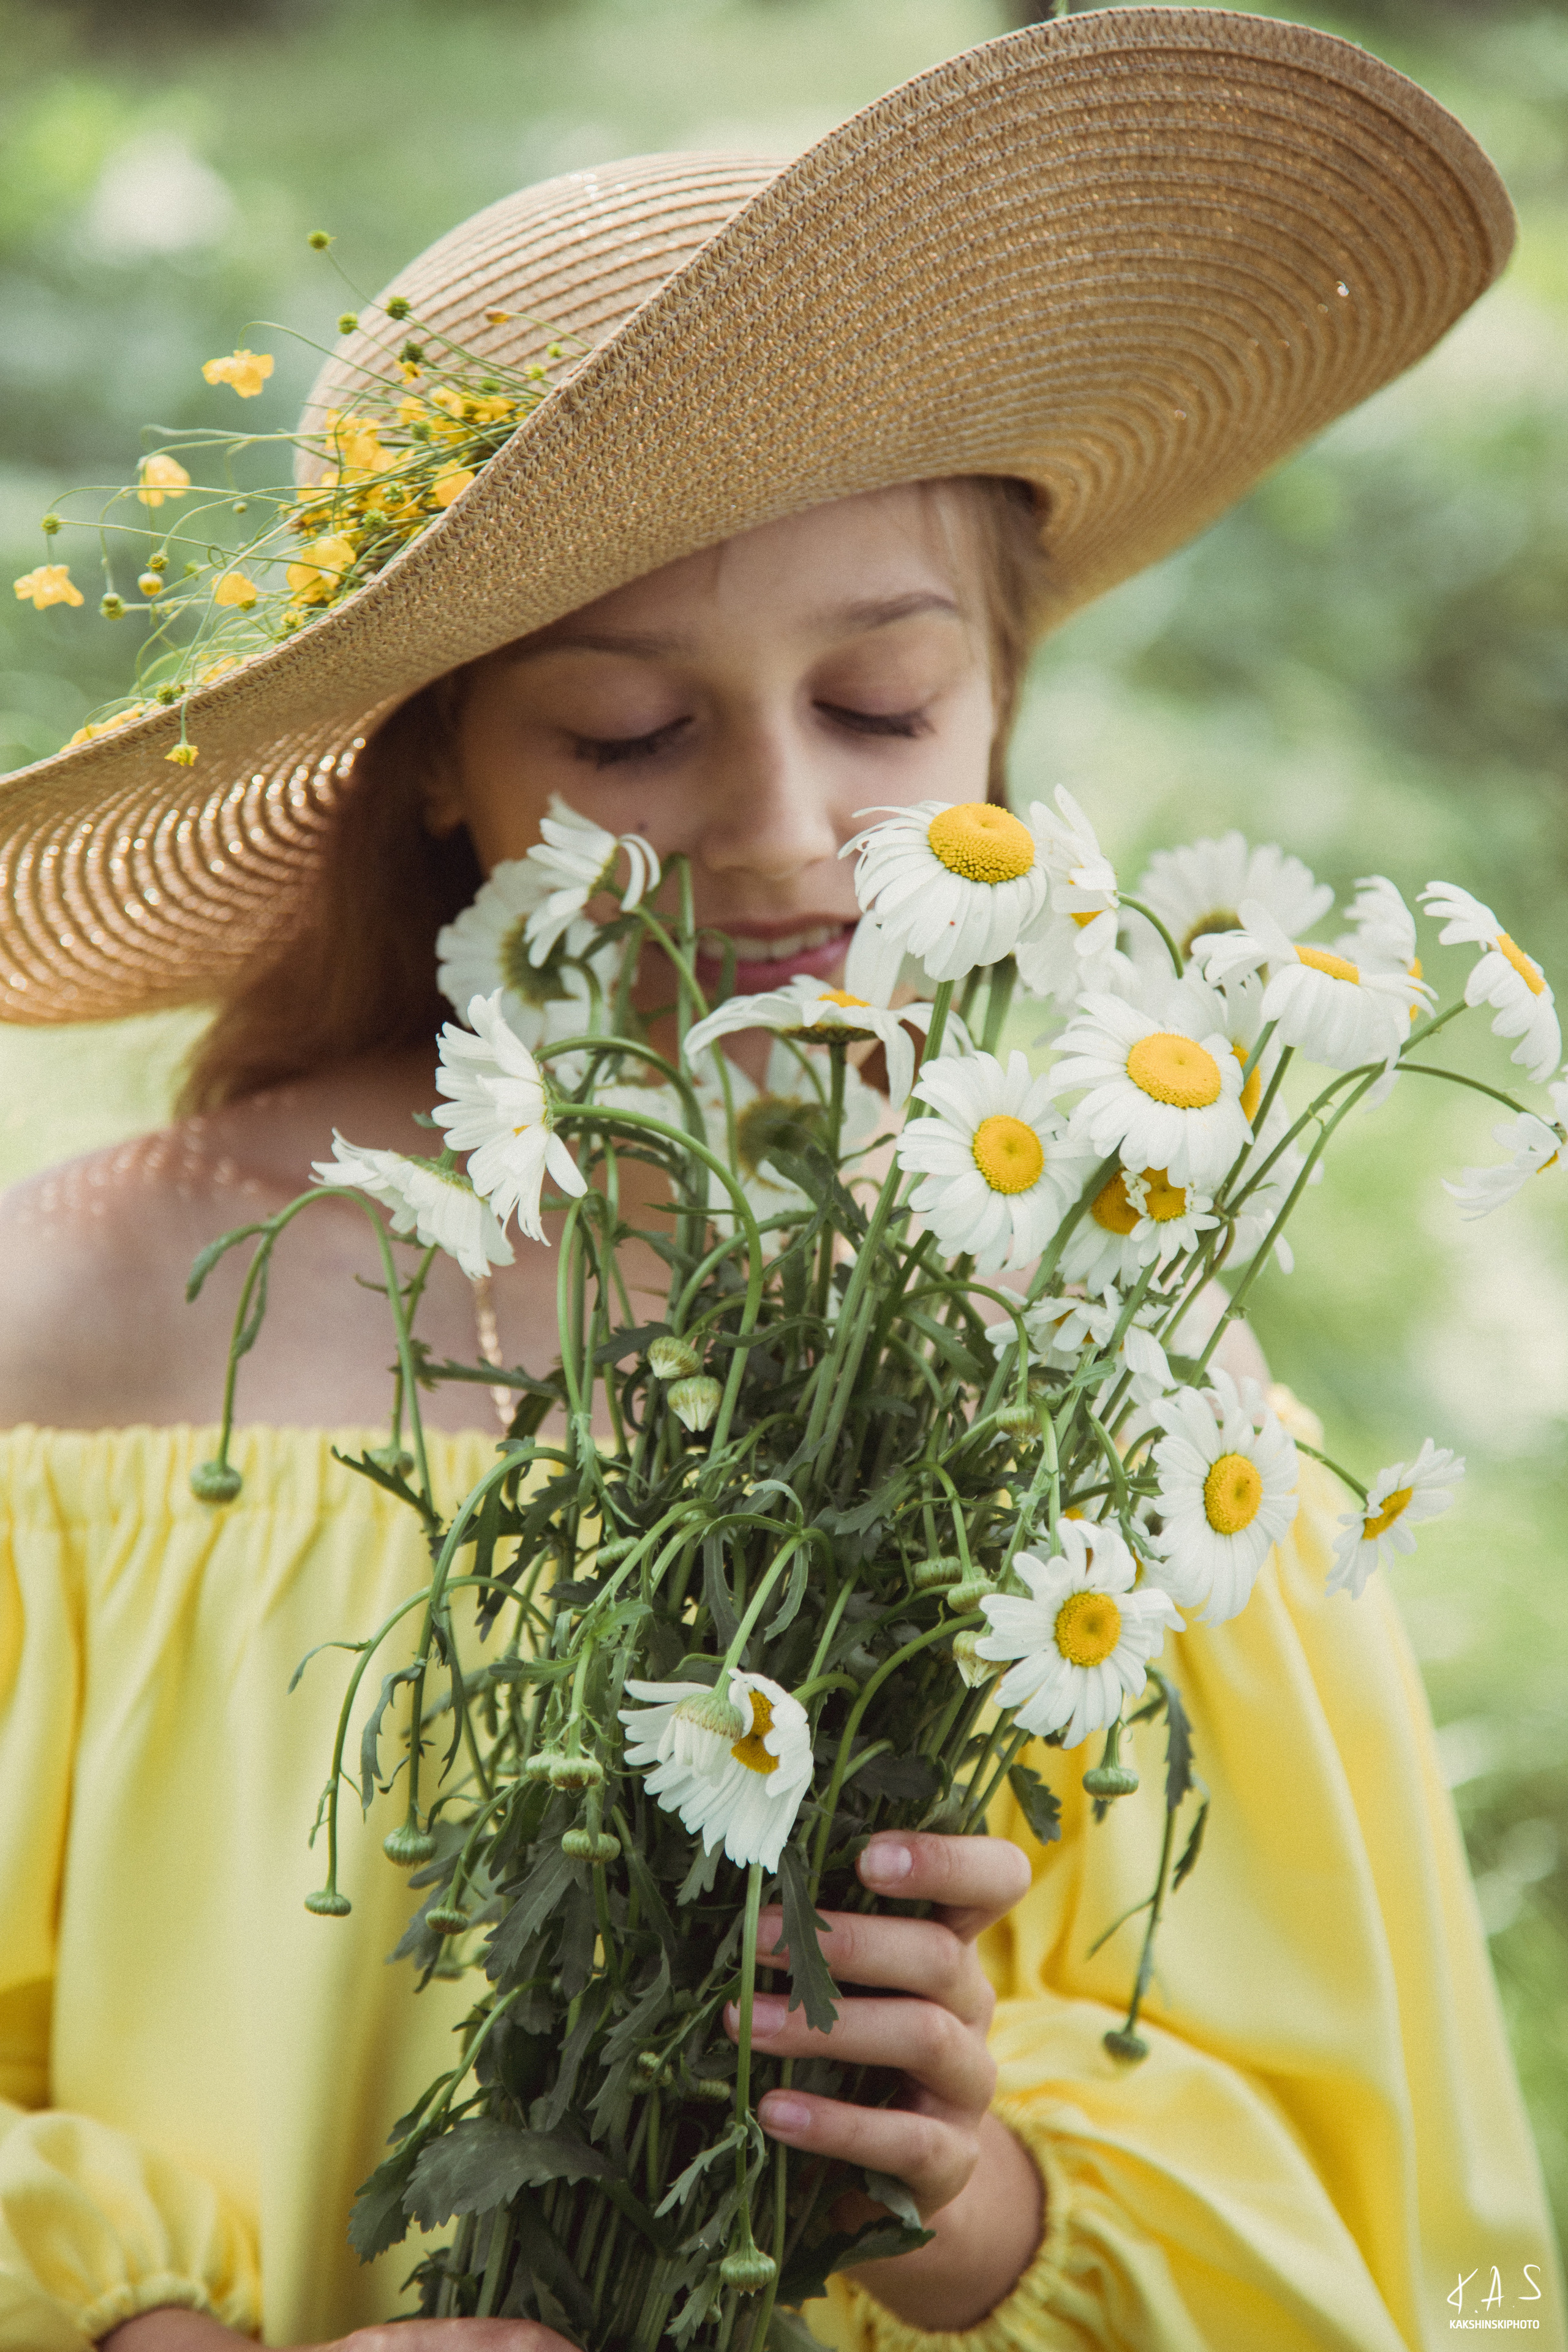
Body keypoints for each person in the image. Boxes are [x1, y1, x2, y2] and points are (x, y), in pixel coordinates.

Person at [0, 15, 1559, 2352]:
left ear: (1004, 715)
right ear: (434, 770)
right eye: (627, 734)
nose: (779, 824)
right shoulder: (107, 1317)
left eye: (885, 704)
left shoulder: (1119, 1387)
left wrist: (984, 2203)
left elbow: (1372, 2169)